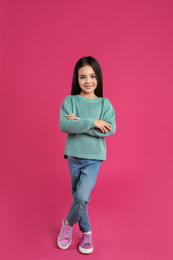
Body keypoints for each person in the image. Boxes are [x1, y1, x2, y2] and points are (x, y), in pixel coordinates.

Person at [57, 56, 116, 254]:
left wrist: (80, 122)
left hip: (94, 158)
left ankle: (68, 222)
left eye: (92, 76)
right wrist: (93, 122)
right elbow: (65, 125)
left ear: (98, 77)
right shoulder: (70, 101)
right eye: (83, 77)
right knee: (79, 197)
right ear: (77, 79)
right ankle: (87, 232)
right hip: (74, 155)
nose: (88, 81)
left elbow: (109, 130)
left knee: (82, 196)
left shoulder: (105, 104)